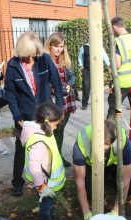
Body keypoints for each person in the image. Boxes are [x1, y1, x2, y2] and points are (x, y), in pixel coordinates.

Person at [4, 31, 64, 197]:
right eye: (28, 55)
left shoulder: (44, 60)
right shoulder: (13, 66)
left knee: (46, 148)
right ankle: (17, 183)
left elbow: (57, 84)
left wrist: (59, 108)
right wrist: (17, 117)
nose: (32, 58)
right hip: (26, 117)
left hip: (45, 113)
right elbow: (9, 93)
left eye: (34, 54)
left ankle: (47, 179)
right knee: (21, 149)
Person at [72, 120, 131, 220]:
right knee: (90, 194)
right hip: (92, 167)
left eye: (105, 148)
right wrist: (86, 213)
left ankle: (110, 177)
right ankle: (105, 179)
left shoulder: (123, 142)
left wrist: (116, 210)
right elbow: (79, 180)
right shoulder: (82, 140)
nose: (103, 151)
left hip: (114, 165)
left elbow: (126, 178)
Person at [21, 102, 66, 220]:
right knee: (45, 208)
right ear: (48, 122)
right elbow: (34, 166)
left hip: (46, 182)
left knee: (48, 205)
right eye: (56, 124)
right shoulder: (38, 141)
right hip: (44, 184)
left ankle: (50, 219)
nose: (56, 127)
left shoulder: (43, 131)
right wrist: (41, 187)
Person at [107, 16, 131, 149]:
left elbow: (117, 64)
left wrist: (110, 67)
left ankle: (108, 141)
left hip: (123, 83)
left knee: (113, 110)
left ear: (114, 27)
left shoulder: (117, 42)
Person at [44, 32, 76, 168]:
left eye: (61, 46)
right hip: (52, 100)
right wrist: (53, 88)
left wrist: (69, 84)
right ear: (50, 46)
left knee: (61, 129)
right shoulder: (45, 60)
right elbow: (43, 81)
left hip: (66, 99)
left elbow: (72, 76)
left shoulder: (65, 60)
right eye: (56, 46)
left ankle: (59, 155)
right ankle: (50, 158)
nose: (59, 49)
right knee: (51, 130)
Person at [78, 42, 111, 110]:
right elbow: (80, 56)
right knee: (86, 86)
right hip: (87, 70)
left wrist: (109, 66)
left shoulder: (99, 47)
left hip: (97, 70)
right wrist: (81, 65)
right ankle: (84, 104)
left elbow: (105, 56)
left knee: (97, 86)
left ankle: (97, 102)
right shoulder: (84, 47)